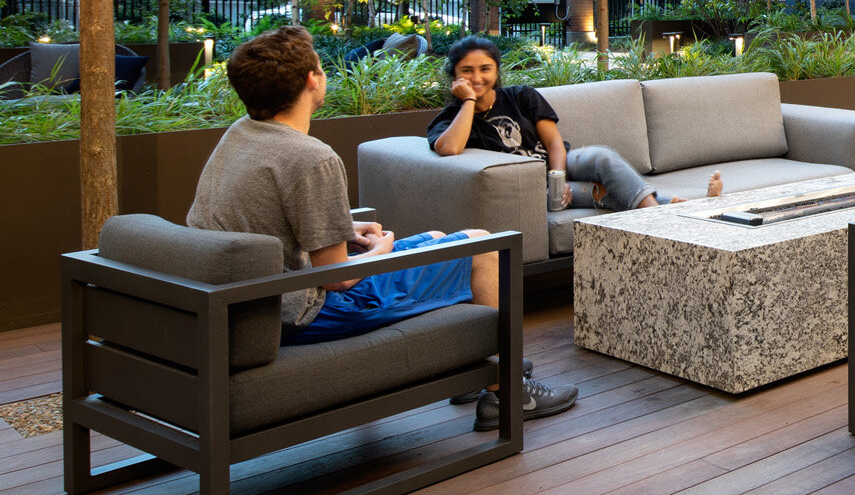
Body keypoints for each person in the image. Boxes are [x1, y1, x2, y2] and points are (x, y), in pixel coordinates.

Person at [187, 27, 578, 429]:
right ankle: (507, 393)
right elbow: (340, 277)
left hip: (251, 300)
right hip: (309, 310)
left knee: (443, 239)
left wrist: (346, 226)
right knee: (484, 246)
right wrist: (384, 247)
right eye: (321, 67)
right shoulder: (310, 156)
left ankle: (476, 363)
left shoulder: (240, 134)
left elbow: (260, 217)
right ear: (311, 80)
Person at [430, 36, 720, 209]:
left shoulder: (521, 96)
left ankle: (658, 216)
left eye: (485, 69)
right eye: (467, 71)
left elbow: (554, 142)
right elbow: (450, 148)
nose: (478, 77)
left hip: (560, 165)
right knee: (599, 192)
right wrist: (468, 102)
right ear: (453, 74)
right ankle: (681, 208)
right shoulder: (449, 120)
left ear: (496, 71)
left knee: (602, 157)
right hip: (527, 187)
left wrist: (557, 179)